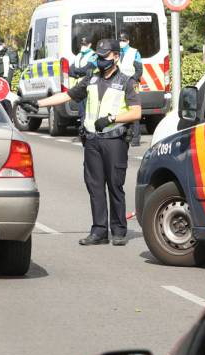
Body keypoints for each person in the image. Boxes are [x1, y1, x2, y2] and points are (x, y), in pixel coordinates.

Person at [22, 38, 142, 246]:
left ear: (115, 56)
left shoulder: (127, 82)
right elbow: (67, 96)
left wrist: (112, 119)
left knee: (115, 185)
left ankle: (119, 230)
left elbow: (136, 112)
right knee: (95, 186)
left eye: (105, 56)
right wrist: (38, 103)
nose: (101, 60)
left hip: (114, 140)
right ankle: (99, 231)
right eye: (98, 56)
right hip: (93, 140)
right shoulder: (91, 80)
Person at [118, 32, 144, 146]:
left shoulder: (134, 52)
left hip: (132, 84)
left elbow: (139, 70)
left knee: (135, 110)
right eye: (120, 40)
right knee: (123, 109)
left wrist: (132, 80)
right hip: (120, 84)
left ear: (128, 41)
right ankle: (127, 134)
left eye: (123, 40)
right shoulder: (117, 53)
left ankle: (136, 138)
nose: (121, 42)